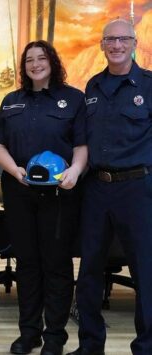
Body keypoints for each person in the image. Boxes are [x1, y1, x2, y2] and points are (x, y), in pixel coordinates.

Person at [0, 40, 87, 355]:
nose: (35, 64)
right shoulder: (11, 101)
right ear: (24, 66)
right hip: (19, 194)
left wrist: (74, 171)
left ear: (52, 61)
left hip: (60, 196)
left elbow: (81, 146)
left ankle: (54, 337)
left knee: (56, 265)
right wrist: (16, 171)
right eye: (29, 60)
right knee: (27, 265)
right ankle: (29, 332)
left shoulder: (73, 99)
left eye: (41, 58)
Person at [68, 19, 152, 355]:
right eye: (110, 40)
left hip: (138, 189)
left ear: (134, 43)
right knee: (89, 270)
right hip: (97, 189)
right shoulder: (92, 86)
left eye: (122, 39)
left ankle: (146, 347)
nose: (116, 45)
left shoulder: (148, 85)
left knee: (145, 272)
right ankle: (90, 344)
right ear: (102, 45)